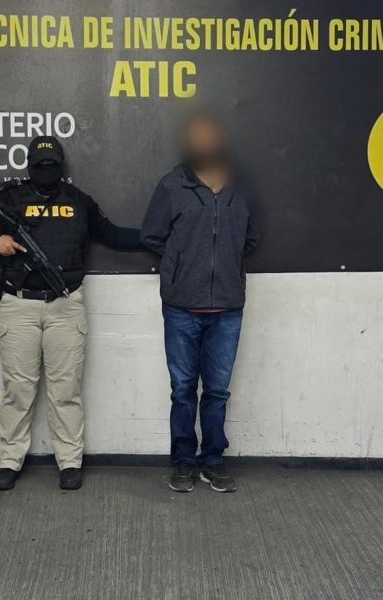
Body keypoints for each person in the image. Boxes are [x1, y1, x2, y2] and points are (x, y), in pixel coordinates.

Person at [0, 136, 142, 491]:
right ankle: (9, 461)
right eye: (40, 165)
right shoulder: (8, 198)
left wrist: (158, 236)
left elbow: (114, 235)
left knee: (66, 389)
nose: (46, 171)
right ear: (29, 166)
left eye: (52, 165)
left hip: (65, 306)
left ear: (61, 166)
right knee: (17, 390)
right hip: (19, 305)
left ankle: (69, 462)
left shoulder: (78, 201)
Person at [140, 113, 259, 493]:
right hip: (181, 307)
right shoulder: (172, 186)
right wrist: (183, 264)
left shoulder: (242, 187)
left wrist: (223, 264)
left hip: (227, 308)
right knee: (182, 390)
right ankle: (182, 462)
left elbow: (251, 239)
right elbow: (152, 235)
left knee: (218, 391)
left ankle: (213, 462)